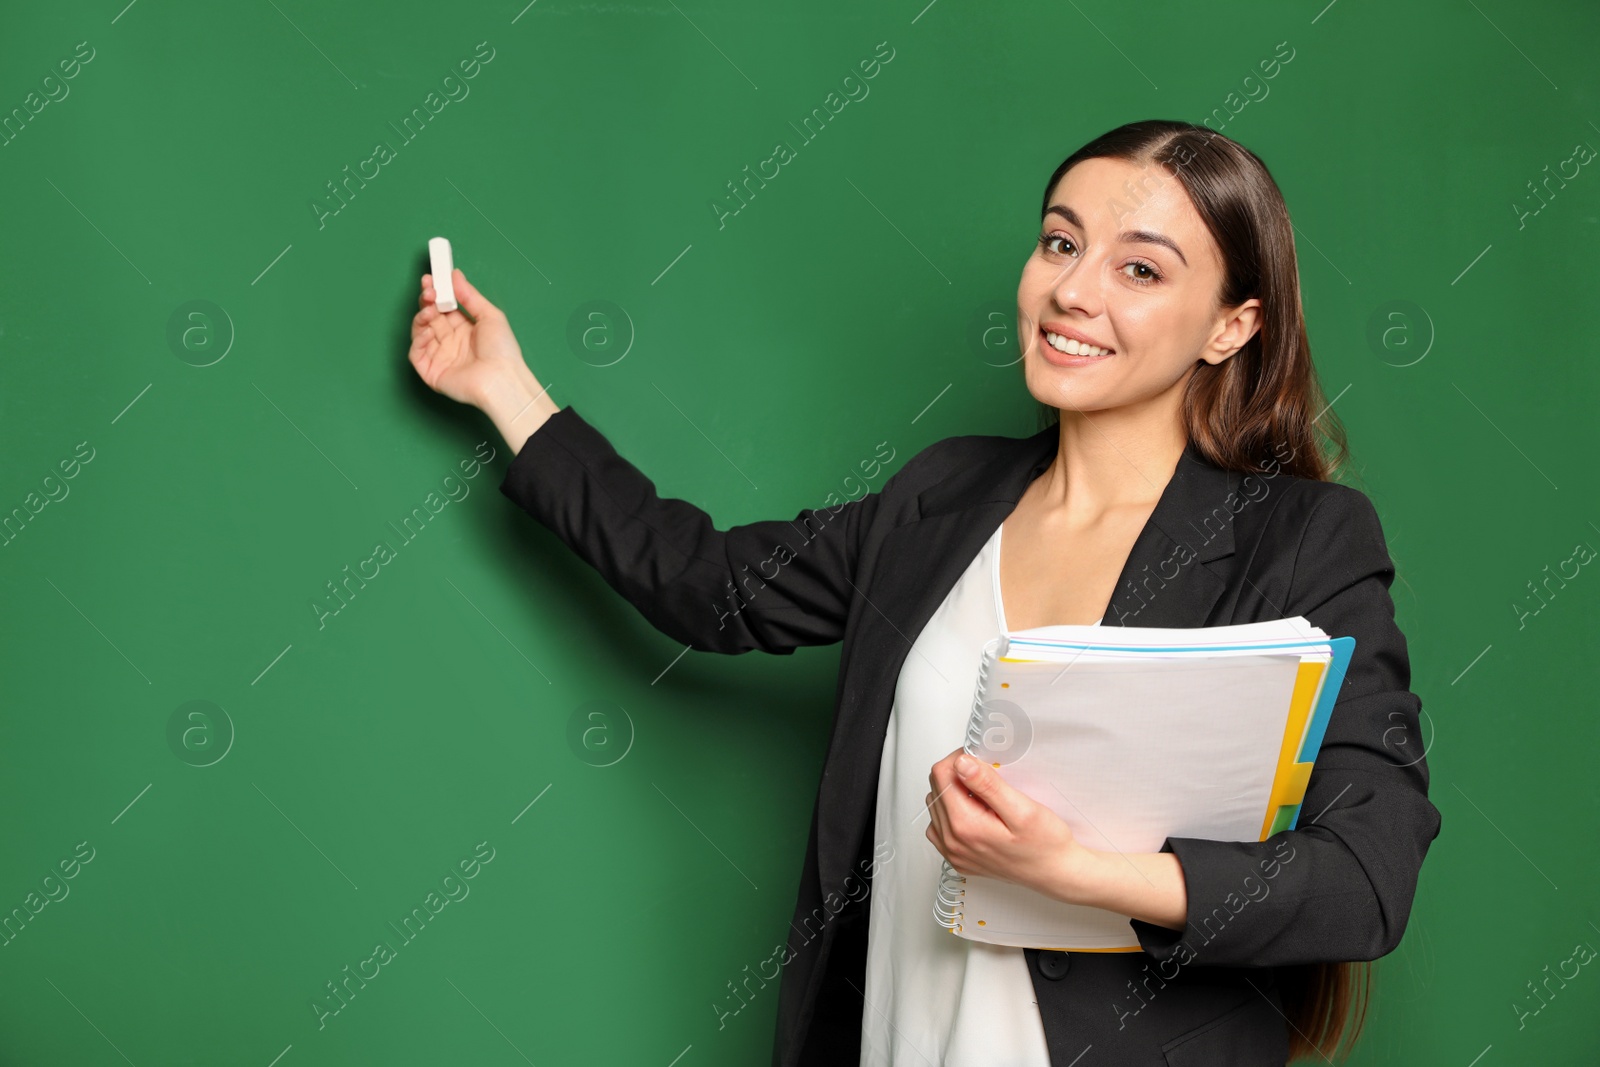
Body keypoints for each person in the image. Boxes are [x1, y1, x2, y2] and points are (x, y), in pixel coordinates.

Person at [406, 119, 1440, 1066]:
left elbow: (1364, 874)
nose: (1074, 292)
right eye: (1060, 242)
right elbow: (705, 583)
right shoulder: (939, 497)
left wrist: (1081, 871)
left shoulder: (1301, 541)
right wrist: (504, 386)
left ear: (1230, 324)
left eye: (1140, 268)